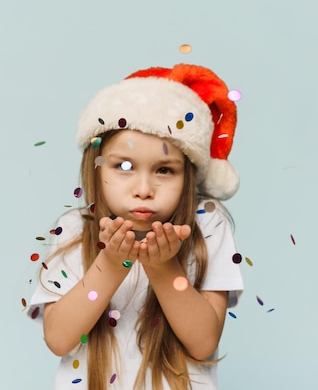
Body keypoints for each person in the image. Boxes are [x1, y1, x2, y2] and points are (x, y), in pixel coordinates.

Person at [26, 64, 244, 390]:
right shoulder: (73, 229)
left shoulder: (207, 223)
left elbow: (202, 343)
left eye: (164, 170)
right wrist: (112, 264)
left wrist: (164, 268)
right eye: (124, 166)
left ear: (188, 174)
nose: (144, 188)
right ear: (97, 167)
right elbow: (59, 339)